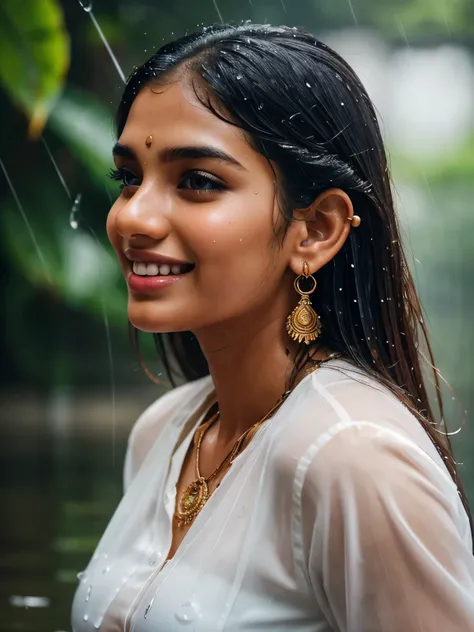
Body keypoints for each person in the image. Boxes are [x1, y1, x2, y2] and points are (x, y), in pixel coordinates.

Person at [71, 22, 474, 631]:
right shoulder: (164, 433)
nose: (134, 216)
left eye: (198, 181)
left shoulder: (353, 458)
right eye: (128, 177)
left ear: (315, 230)